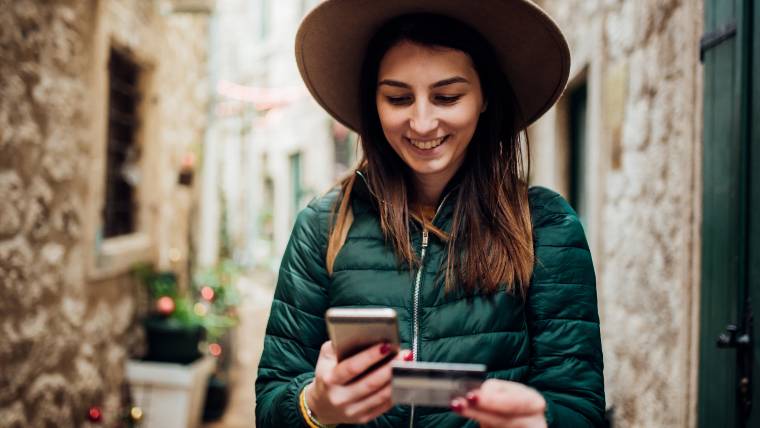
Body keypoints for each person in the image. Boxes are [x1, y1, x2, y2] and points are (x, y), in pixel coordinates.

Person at [256, 1, 604, 427]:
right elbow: (272, 402)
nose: (422, 123)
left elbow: (579, 407)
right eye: (398, 98)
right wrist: (314, 405)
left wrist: (538, 422)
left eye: (447, 96)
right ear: (373, 102)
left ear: (484, 97)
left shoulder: (547, 227)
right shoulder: (323, 225)